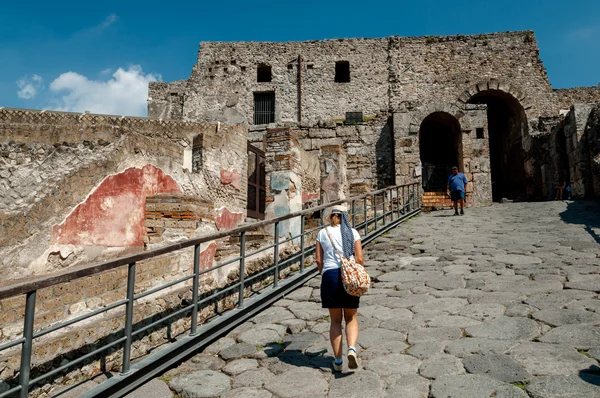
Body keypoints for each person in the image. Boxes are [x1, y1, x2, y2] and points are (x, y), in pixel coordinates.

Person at [315, 204, 364, 372]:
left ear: (330, 216)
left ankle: (337, 361)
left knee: (335, 320)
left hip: (330, 276)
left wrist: (325, 274)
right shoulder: (353, 232)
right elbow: (359, 258)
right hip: (348, 277)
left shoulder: (322, 233)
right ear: (345, 216)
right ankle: (351, 349)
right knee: (350, 317)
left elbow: (318, 261)